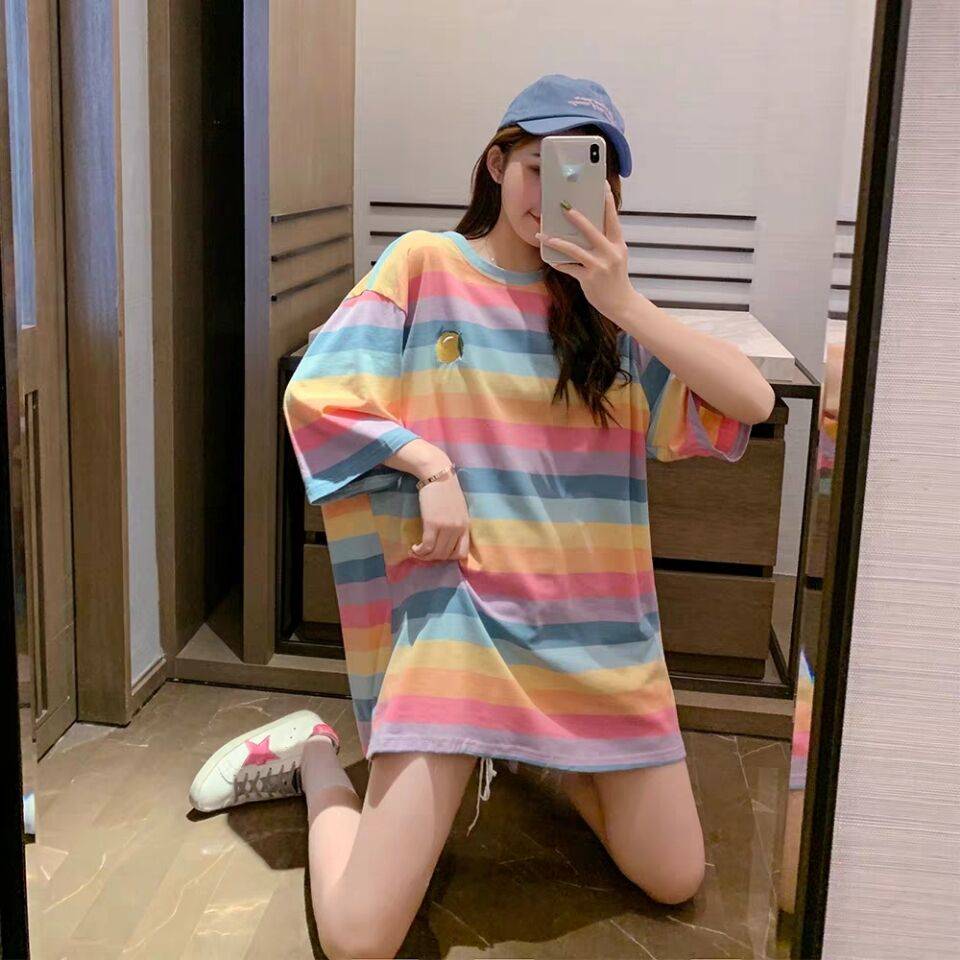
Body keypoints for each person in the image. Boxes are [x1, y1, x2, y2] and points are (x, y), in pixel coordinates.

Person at [188, 73, 776, 960]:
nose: (553, 193)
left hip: (597, 634)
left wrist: (621, 300)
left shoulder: (606, 323)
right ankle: (315, 759)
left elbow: (752, 403)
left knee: (674, 874)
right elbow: (318, 391)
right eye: (538, 166)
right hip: (461, 626)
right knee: (358, 938)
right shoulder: (426, 265)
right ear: (497, 165)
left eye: (586, 176)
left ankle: (529, 745)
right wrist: (427, 462)